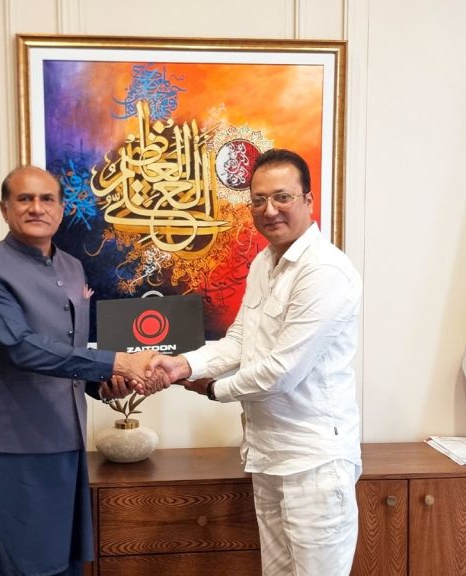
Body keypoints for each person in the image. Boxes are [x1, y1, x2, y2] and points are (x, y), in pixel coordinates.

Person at [151, 149, 363, 575]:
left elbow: (283, 372)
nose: (269, 210)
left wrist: (214, 389)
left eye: (282, 197)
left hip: (314, 464)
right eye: (259, 200)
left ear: (308, 200)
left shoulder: (325, 271)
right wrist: (181, 365)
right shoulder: (264, 264)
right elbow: (239, 341)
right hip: (268, 454)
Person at [0, 165, 161, 576]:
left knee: (63, 565)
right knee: (11, 567)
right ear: (4, 209)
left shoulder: (72, 267)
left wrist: (103, 384)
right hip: (8, 450)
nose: (37, 208)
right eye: (24, 199)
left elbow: (70, 350)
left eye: (47, 199)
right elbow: (19, 347)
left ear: (62, 209)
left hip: (66, 444)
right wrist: (117, 361)